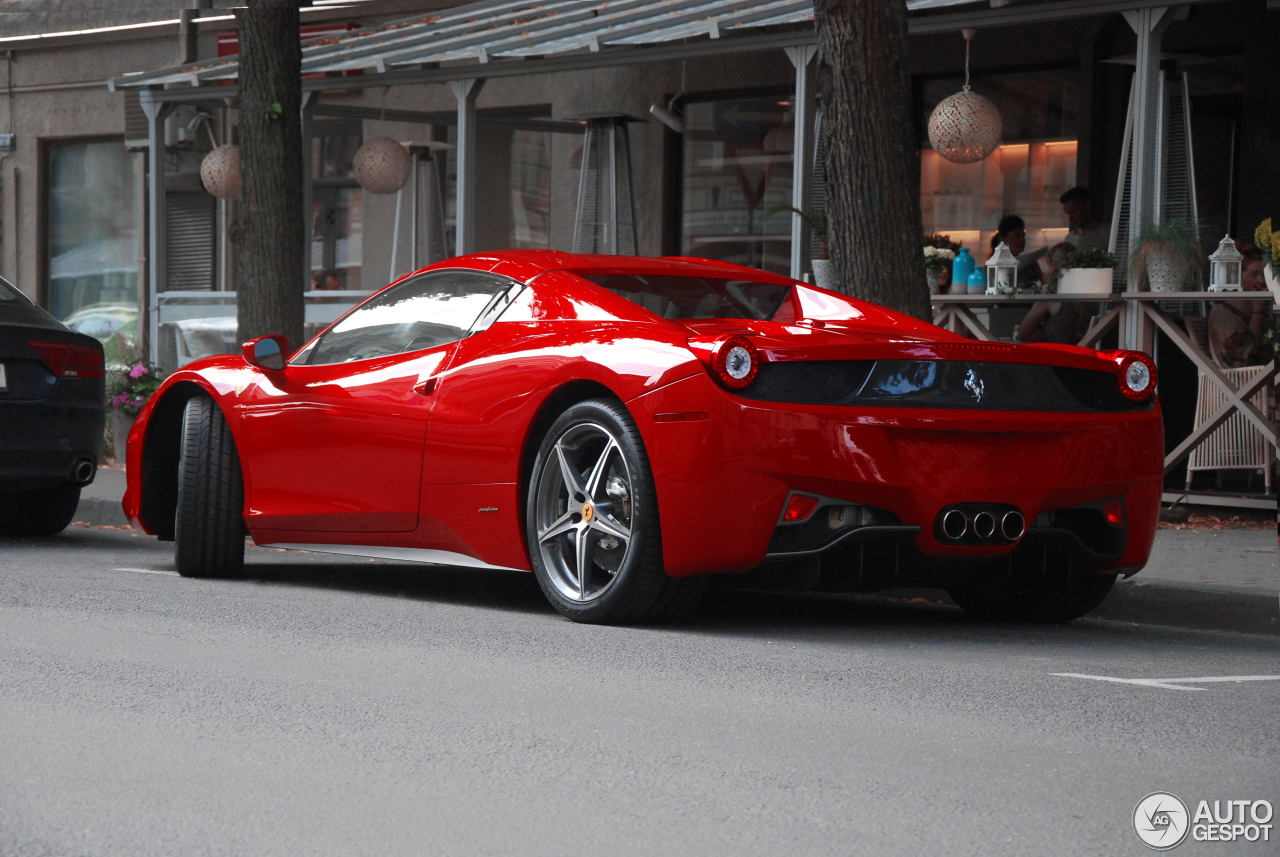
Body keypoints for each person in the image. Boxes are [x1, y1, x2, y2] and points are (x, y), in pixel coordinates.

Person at [1014, 242, 1098, 344]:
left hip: (1060, 354)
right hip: (1090, 353)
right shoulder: (1093, 292)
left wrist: (1046, 336)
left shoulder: (1050, 298)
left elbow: (1023, 335)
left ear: (1050, 266)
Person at [1208, 244, 1276, 368]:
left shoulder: (1256, 309)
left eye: (1263, 275)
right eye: (1254, 275)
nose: (1261, 281)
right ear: (1237, 279)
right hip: (1245, 379)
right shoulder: (1222, 313)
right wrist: (1258, 314)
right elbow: (1249, 349)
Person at [1059, 186, 1110, 253]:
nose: (1071, 219)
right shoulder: (1070, 239)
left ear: (1087, 206)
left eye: (1073, 213)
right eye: (1068, 214)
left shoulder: (1107, 234)